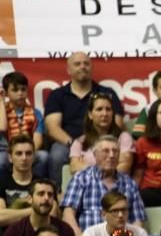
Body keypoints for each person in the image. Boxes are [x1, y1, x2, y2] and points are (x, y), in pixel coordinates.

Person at [43, 53, 124, 185]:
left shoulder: (107, 93)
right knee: (57, 154)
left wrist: (99, 144)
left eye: (86, 63)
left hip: (101, 140)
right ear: (69, 70)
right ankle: (57, 194)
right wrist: (75, 145)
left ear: (91, 68)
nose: (83, 67)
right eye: (77, 64)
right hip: (67, 143)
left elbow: (117, 123)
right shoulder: (57, 95)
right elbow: (52, 128)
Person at [61, 136, 146, 236]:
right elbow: (68, 213)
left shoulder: (129, 183)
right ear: (95, 155)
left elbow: (137, 220)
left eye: (115, 151)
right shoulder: (81, 178)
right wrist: (78, 235)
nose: (111, 155)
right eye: (106, 151)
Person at [1, 179, 78, 236]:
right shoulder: (14, 231)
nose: (46, 198)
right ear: (30, 199)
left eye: (50, 195)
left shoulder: (66, 230)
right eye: (41, 194)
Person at [69, 92, 133, 175]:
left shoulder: (124, 137)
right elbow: (74, 167)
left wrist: (86, 167)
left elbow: (124, 167)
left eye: (108, 109)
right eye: (99, 109)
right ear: (90, 114)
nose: (104, 114)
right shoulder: (80, 142)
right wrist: (106, 171)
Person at [2, 73, 46, 177]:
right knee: (1, 160)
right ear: (6, 93)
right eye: (15, 90)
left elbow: (38, 141)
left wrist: (25, 153)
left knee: (43, 156)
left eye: (23, 89)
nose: (20, 93)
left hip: (28, 150)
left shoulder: (36, 113)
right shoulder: (2, 112)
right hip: (6, 151)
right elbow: (2, 129)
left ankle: (36, 186)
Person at [0, 136, 41, 236]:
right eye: (19, 153)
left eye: (28, 153)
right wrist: (34, 211)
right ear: (10, 157)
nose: (24, 158)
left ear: (33, 157)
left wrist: (11, 214)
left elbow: (51, 214)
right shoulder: (2, 181)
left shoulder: (42, 183)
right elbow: (1, 217)